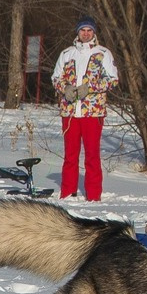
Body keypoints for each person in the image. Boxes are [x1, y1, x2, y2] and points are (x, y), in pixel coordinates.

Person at [51, 19, 118, 202]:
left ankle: (93, 195)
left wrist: (90, 87)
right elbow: (56, 77)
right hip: (71, 112)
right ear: (78, 32)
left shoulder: (103, 53)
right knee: (70, 155)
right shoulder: (67, 53)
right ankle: (67, 192)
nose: (86, 34)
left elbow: (113, 79)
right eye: (83, 30)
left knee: (92, 155)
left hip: (92, 112)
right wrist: (64, 88)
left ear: (94, 33)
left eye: (89, 30)